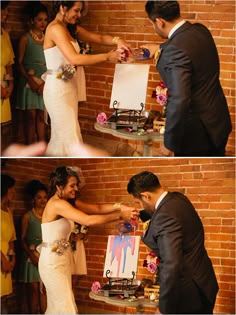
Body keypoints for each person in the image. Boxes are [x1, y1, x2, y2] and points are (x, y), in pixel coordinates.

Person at [38, 166, 134, 314]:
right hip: (51, 263)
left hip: (61, 259)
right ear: (59, 186)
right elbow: (88, 220)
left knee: (59, 305)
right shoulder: (57, 204)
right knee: (65, 306)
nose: (76, 188)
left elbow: (97, 208)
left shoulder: (68, 201)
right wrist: (120, 216)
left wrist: (120, 206)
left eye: (76, 185)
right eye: (72, 185)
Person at [142, 1, 232, 157]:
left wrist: (170, 142)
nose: (154, 28)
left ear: (159, 22)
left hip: (196, 136)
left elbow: (179, 99)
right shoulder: (200, 30)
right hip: (218, 121)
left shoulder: (173, 52)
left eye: (152, 24)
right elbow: (185, 47)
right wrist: (159, 48)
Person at [43, 1, 130, 156]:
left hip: (69, 86)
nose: (79, 15)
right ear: (63, 7)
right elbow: (74, 59)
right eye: (76, 10)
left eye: (80, 11)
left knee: (64, 135)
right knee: (69, 136)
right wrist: (107, 57)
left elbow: (100, 38)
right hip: (56, 90)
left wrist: (118, 40)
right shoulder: (55, 28)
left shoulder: (70, 28)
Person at [127, 171, 219, 314]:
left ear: (146, 195)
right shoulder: (178, 199)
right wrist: (140, 214)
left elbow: (171, 264)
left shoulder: (164, 217)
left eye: (139, 202)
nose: (141, 205)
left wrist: (164, 308)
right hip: (204, 281)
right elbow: (161, 211)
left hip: (189, 294)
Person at [15, 2, 48, 145]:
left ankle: (41, 147)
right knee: (30, 116)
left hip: (44, 79)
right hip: (28, 81)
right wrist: (31, 81)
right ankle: (30, 147)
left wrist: (46, 83)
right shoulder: (25, 38)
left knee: (42, 116)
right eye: (39, 20)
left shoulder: (48, 38)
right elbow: (19, 63)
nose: (43, 23)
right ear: (31, 20)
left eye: (45, 20)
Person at [18, 180, 48, 314]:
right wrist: (31, 255)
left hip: (45, 255)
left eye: (45, 197)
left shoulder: (49, 215)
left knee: (45, 288)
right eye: (39, 197)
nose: (43, 200)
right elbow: (22, 239)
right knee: (34, 290)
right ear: (33, 200)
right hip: (31, 257)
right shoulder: (27, 216)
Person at [1, 174, 17, 314]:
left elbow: (12, 238)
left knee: (4, 296)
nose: (14, 192)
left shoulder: (9, 212)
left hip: (6, 257)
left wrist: (12, 258)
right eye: (12, 189)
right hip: (1, 258)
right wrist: (3, 260)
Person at [1, 1, 15, 148]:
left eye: (6, 9)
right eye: (2, 9)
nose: (5, 13)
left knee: (4, 130)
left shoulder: (5, 34)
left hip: (4, 86)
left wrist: (10, 84)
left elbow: (9, 63)